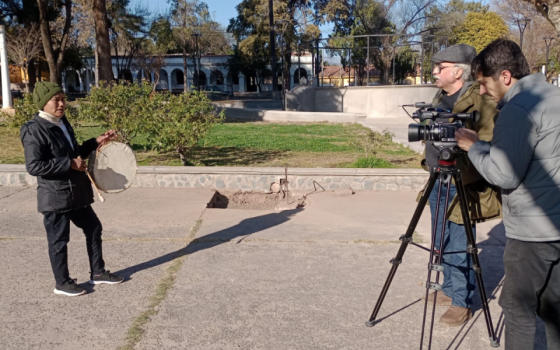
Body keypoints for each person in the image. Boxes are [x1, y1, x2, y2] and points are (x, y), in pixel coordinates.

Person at [456, 39, 560, 350]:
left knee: (517, 310)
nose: (484, 92)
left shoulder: (517, 109)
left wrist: (473, 146)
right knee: (554, 309)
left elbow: (504, 174)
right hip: (555, 224)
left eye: (484, 83)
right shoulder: (554, 96)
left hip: (532, 232)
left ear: (504, 76)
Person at [419, 44, 500, 327]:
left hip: (460, 182)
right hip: (436, 177)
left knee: (459, 242)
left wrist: (463, 168)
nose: (434, 71)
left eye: (439, 67)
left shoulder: (480, 102)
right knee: (440, 238)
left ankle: (461, 302)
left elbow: (488, 144)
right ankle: (450, 288)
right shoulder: (440, 95)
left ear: (457, 70)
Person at [20, 81, 124, 297]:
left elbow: (74, 152)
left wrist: (96, 141)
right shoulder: (34, 129)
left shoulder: (62, 122)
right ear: (43, 103)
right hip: (55, 196)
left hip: (76, 193)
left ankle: (98, 272)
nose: (61, 104)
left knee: (94, 228)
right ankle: (62, 283)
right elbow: (34, 166)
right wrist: (68, 164)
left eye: (63, 99)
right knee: (59, 241)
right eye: (56, 100)